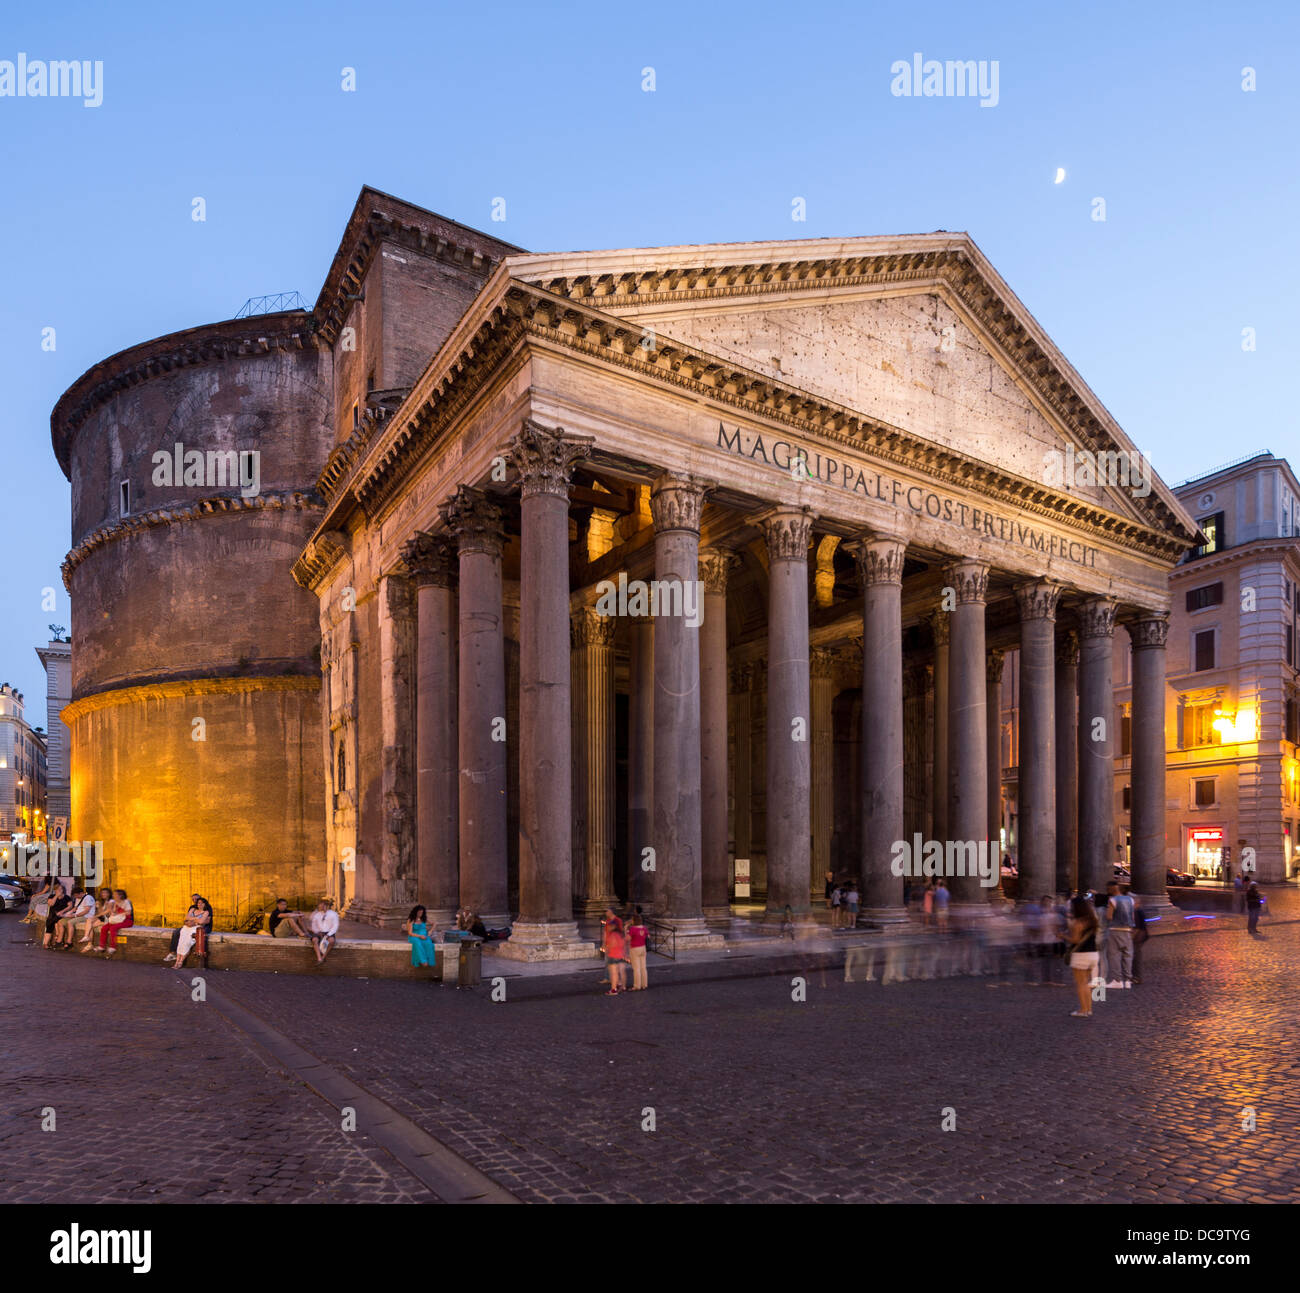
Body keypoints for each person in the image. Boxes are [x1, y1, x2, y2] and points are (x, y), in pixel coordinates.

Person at [1066, 896, 1099, 1018]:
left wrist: (1063, 936)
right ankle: (1088, 1009)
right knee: (1086, 983)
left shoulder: (1078, 922)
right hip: (1093, 954)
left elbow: (1075, 940)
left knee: (1081, 983)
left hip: (1081, 955)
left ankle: (1083, 1010)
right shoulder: (1093, 920)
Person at [1104, 881, 1135, 988]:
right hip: (1128, 930)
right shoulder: (1130, 900)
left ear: (1112, 888)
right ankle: (1128, 980)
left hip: (1115, 929)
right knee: (1127, 955)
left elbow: (1109, 916)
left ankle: (1117, 980)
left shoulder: (1112, 900)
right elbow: (1132, 916)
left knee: (1114, 955)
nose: (1107, 891)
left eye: (1108, 889)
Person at [163, 894, 209, 962]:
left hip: (201, 927)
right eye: (193, 899)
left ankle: (184, 957)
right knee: (176, 932)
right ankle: (173, 953)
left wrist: (194, 921)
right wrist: (192, 921)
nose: (195, 901)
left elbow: (206, 921)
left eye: (196, 899)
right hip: (189, 925)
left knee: (194, 936)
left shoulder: (207, 908)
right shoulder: (192, 908)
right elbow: (186, 918)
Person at [172, 897, 213, 970]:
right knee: (181, 943)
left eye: (201, 903)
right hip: (186, 928)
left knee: (187, 943)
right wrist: (196, 920)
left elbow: (201, 922)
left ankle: (180, 962)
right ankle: (176, 961)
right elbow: (186, 917)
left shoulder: (206, 912)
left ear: (204, 904)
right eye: (198, 903)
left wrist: (192, 920)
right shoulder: (193, 909)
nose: (199, 904)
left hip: (195, 929)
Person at [97, 889, 134, 956]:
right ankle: (102, 946)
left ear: (120, 895)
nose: (113, 895)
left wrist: (117, 914)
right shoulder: (115, 902)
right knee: (104, 928)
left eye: (115, 894)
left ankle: (113, 947)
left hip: (127, 921)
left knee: (113, 928)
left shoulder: (126, 902)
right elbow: (113, 912)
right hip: (117, 920)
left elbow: (129, 912)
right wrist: (111, 910)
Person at [601, 907, 626, 995]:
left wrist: (608, 947)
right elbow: (605, 933)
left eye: (607, 910)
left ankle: (614, 988)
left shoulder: (617, 923)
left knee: (614, 971)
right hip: (616, 951)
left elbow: (617, 940)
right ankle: (619, 985)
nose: (605, 912)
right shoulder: (608, 922)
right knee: (616, 970)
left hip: (613, 952)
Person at [405, 905, 437, 969]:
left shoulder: (424, 918)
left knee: (428, 943)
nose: (420, 914)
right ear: (415, 912)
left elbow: (434, 923)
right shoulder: (411, 920)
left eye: (422, 913)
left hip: (424, 936)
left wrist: (430, 931)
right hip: (414, 936)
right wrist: (419, 936)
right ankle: (423, 961)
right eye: (419, 912)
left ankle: (429, 960)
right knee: (417, 942)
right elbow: (410, 933)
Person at [310, 898, 340, 964]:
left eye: (320, 905)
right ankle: (319, 958)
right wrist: (317, 932)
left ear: (325, 905)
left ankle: (323, 957)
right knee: (314, 940)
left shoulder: (334, 914)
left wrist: (328, 935)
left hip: (328, 932)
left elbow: (335, 926)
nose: (318, 906)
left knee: (331, 941)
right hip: (319, 932)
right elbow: (313, 925)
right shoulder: (317, 914)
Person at [627, 906, 649, 990]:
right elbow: (648, 936)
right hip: (643, 948)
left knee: (636, 968)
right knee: (643, 967)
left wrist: (626, 930)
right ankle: (644, 984)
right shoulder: (644, 928)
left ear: (634, 921)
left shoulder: (632, 929)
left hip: (635, 948)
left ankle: (637, 986)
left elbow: (628, 939)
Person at [1131, 896, 1149, 985]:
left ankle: (1136, 977)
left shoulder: (1137, 911)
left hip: (1138, 937)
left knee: (1136, 957)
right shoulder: (1139, 911)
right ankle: (1135, 976)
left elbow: (1137, 927)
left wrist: (1132, 937)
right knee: (1135, 956)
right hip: (1141, 936)